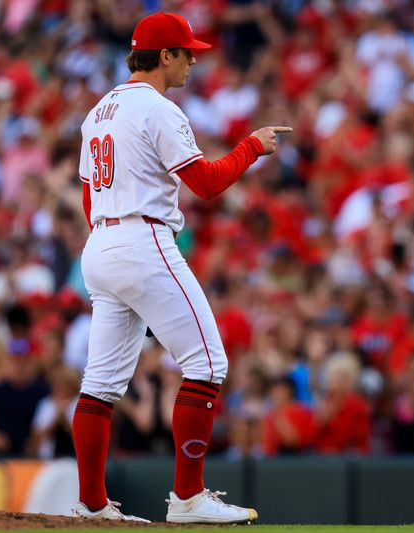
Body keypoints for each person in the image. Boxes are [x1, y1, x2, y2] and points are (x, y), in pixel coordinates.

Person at [71, 11, 290, 524]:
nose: (193, 59)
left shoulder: (98, 111)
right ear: (163, 55)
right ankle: (188, 498)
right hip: (142, 238)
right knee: (208, 365)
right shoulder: (158, 108)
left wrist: (113, 243)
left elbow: (87, 195)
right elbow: (207, 183)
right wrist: (252, 146)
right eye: (186, 51)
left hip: (100, 242)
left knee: (100, 384)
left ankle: (92, 504)